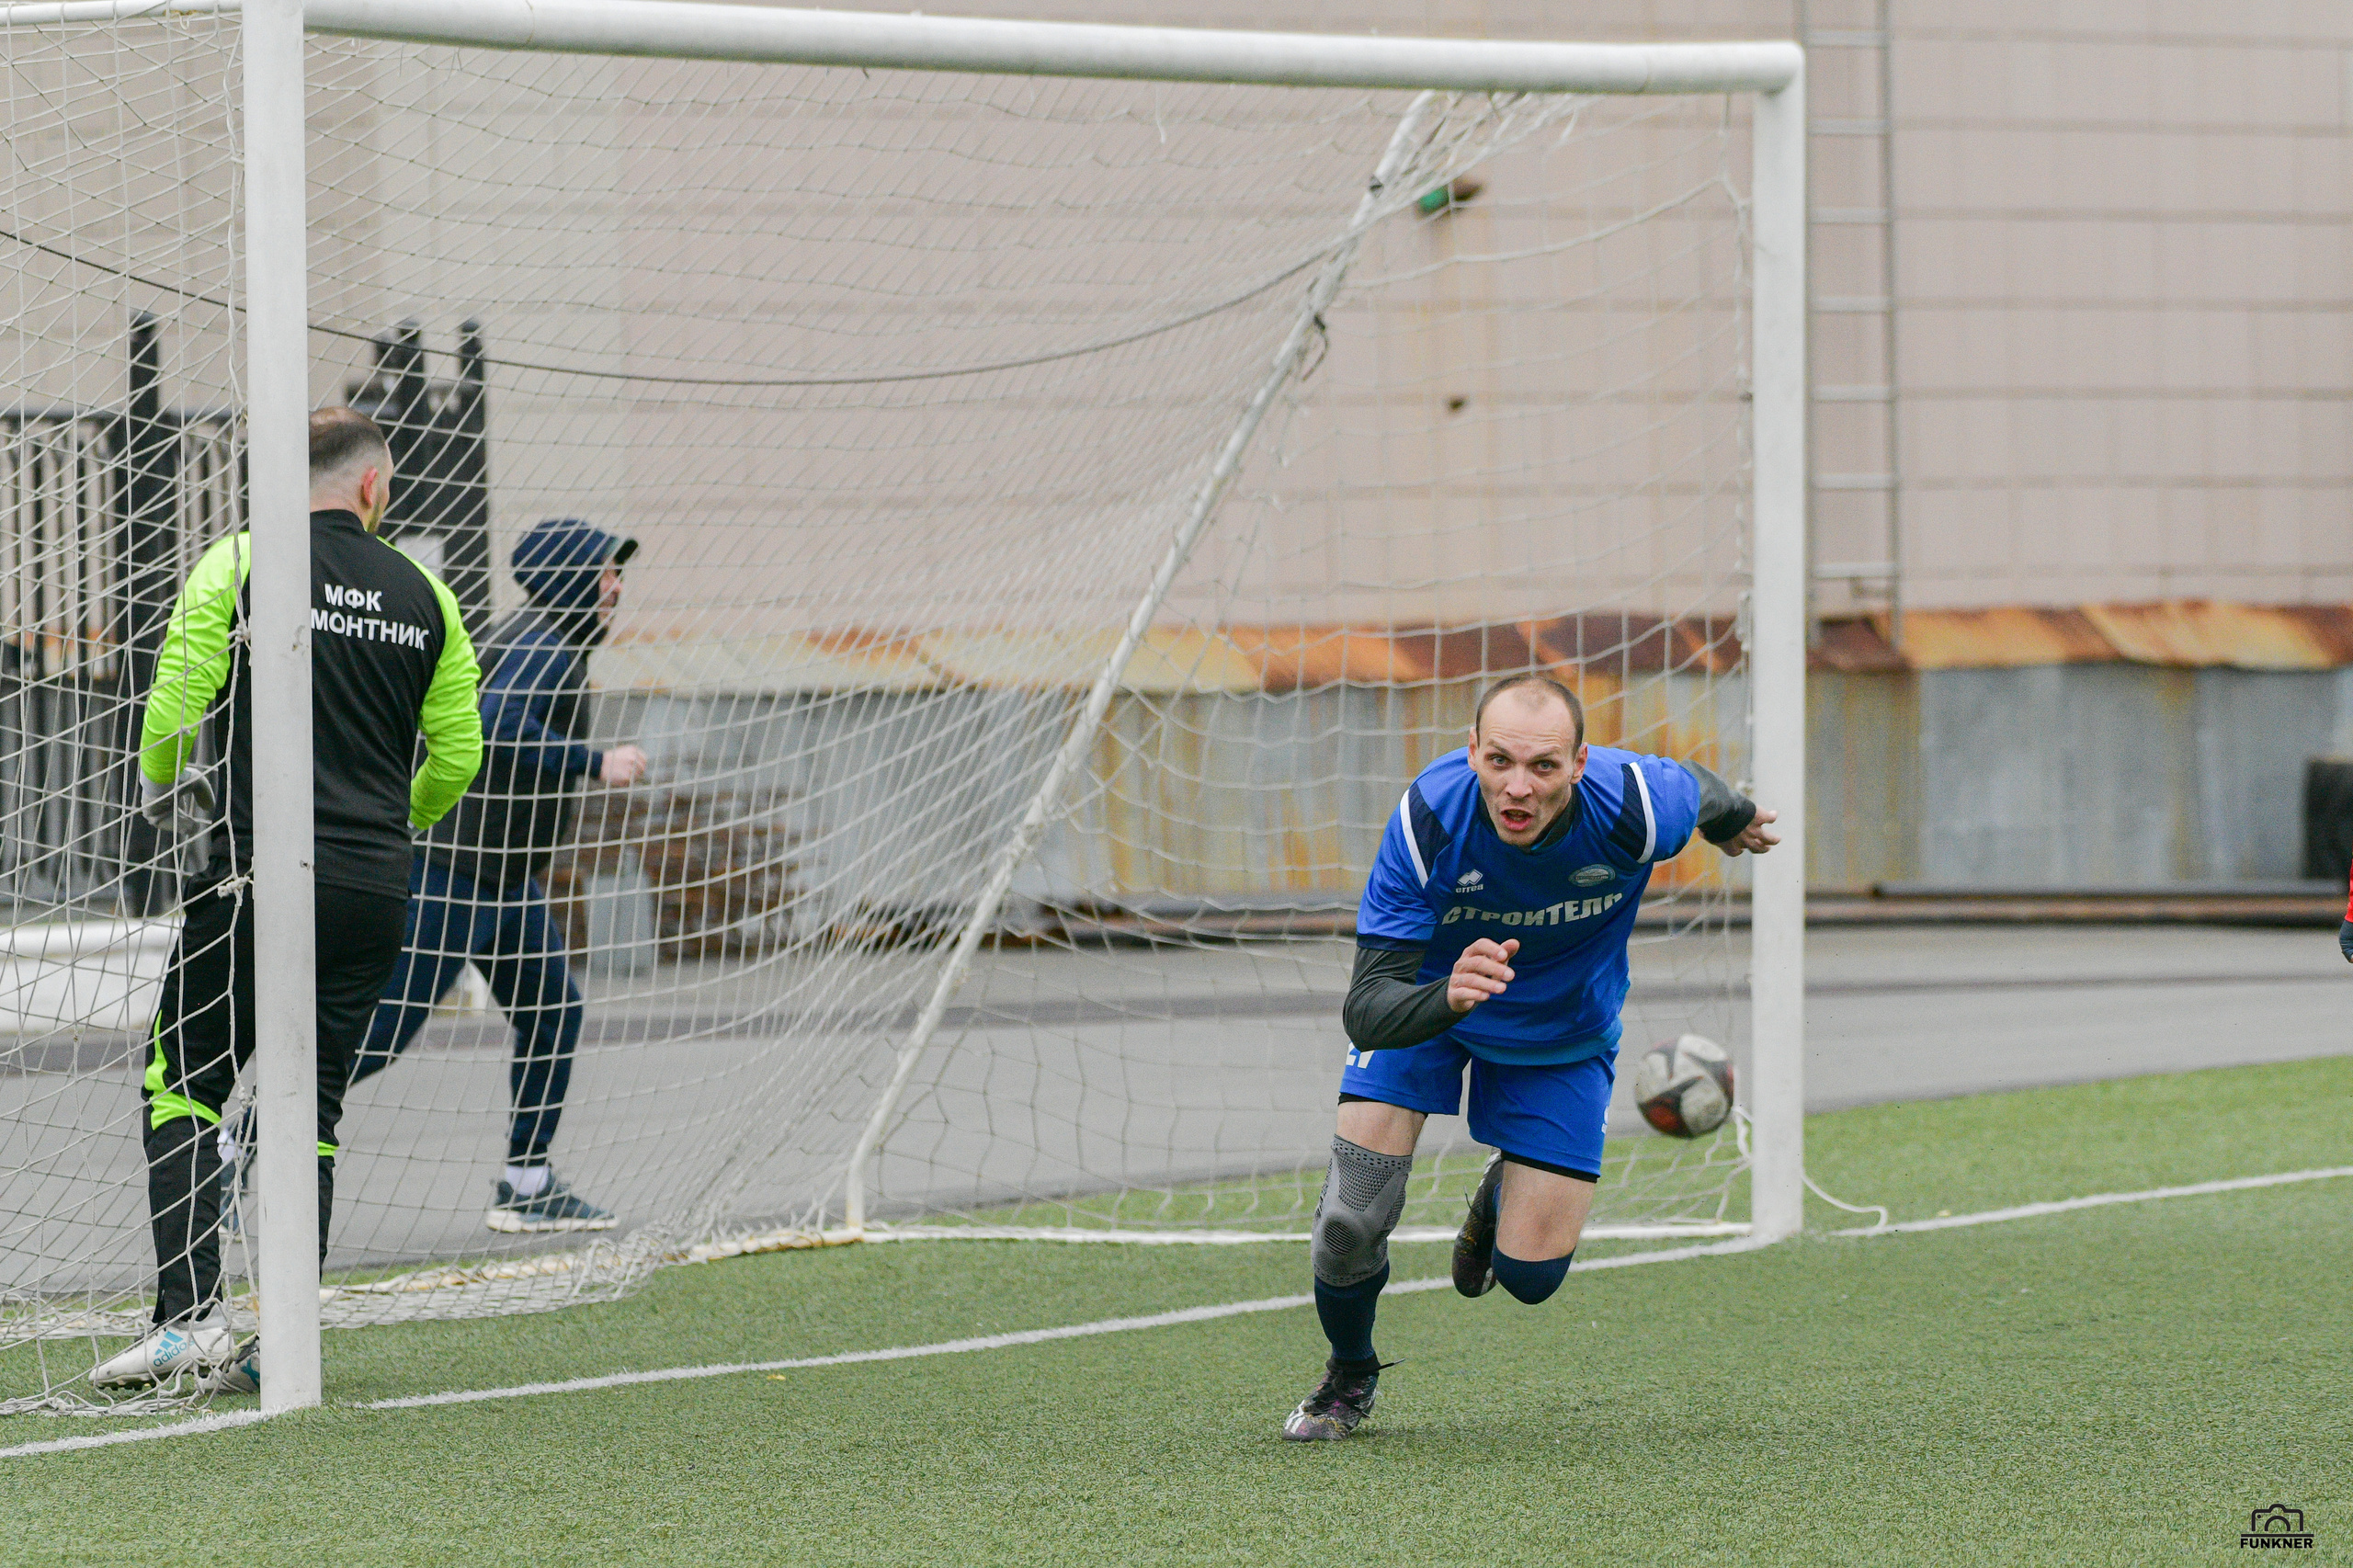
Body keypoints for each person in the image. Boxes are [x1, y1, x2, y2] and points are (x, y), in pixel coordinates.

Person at [1281, 674, 1779, 1441]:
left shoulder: (1638, 806)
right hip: (1429, 1003)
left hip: (1562, 1025)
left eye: (1543, 766)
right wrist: (1448, 995)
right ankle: (1349, 1373)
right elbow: (1368, 1007)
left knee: (1530, 1277)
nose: (1518, 787)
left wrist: (1734, 819)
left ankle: (1502, 1188)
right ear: (1472, 752)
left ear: (1579, 764)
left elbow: (1702, 791)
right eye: (1500, 761)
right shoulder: (1427, 821)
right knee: (1350, 1218)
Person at [97, 408, 482, 1393]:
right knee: (310, 1103)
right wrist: (395, 823)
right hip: (370, 888)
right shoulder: (429, 593)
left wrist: (163, 790)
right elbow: (459, 757)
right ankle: (287, 1342)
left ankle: (188, 1321)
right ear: (373, 485)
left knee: (184, 1079)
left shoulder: (240, 559)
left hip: (257, 873)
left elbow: (173, 707)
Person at [343, 517, 648, 1233]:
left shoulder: (549, 640)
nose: (616, 587)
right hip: (454, 875)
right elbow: (496, 721)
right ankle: (240, 1144)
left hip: (506, 883)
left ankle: (527, 1182)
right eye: (606, 572)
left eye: (618, 574)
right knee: (378, 1035)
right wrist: (595, 761)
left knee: (554, 1011)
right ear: (570, 577)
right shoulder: (544, 645)